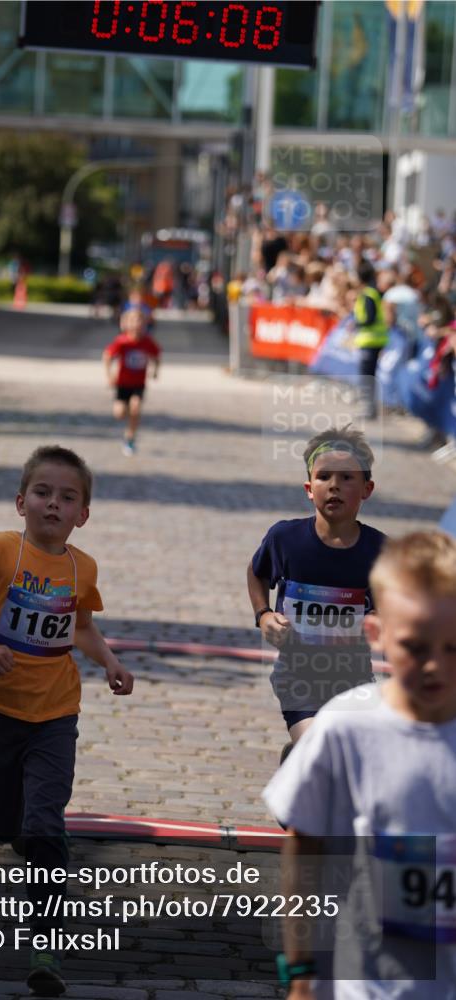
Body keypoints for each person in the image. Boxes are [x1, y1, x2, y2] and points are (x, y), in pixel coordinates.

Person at [0, 446, 133, 996]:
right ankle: (18, 834)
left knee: (46, 823)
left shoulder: (81, 567)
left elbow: (82, 628)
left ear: (82, 515)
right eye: (43, 493)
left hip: (56, 711)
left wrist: (111, 661)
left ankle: (44, 942)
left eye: (68, 497)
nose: (54, 504)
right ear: (21, 501)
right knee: (6, 821)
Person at [263, 530, 456, 999]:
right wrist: (300, 970)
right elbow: (302, 853)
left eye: (454, 648)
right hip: (361, 981)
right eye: (415, 647)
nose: (434, 666)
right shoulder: (346, 727)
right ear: (377, 634)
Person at [247, 426, 385, 762]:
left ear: (367, 489)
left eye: (347, 477)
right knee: (317, 747)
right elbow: (257, 573)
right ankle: (298, 767)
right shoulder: (285, 538)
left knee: (345, 757)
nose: (334, 485)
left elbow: (392, 605)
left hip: (354, 676)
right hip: (299, 675)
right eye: (324, 476)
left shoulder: (380, 550)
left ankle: (297, 766)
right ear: (310, 489)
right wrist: (263, 614)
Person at [103, 306, 161, 456]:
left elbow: (156, 356)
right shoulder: (122, 341)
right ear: (125, 324)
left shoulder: (148, 342)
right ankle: (127, 413)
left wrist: (155, 371)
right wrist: (109, 375)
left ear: (146, 324)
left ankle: (130, 438)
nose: (137, 324)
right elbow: (107, 356)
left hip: (138, 384)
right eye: (133, 321)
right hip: (122, 383)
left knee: (135, 408)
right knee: (119, 413)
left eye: (140, 321)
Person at [354, 261, 389, 419]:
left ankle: (369, 409)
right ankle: (371, 408)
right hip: (375, 340)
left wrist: (356, 323)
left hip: (370, 341)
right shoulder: (374, 292)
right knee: (371, 377)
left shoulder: (368, 294)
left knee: (367, 377)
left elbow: (369, 318)